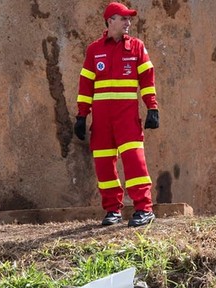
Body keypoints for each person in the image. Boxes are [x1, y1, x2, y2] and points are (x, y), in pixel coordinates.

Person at [75, 2, 159, 228]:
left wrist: (152, 107)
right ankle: (112, 210)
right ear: (110, 20)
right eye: (123, 19)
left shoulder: (137, 47)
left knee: (135, 162)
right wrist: (81, 116)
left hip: (126, 118)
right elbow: (85, 85)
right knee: (104, 165)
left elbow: (147, 80)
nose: (128, 23)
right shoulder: (94, 50)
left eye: (129, 19)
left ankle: (144, 209)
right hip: (101, 121)